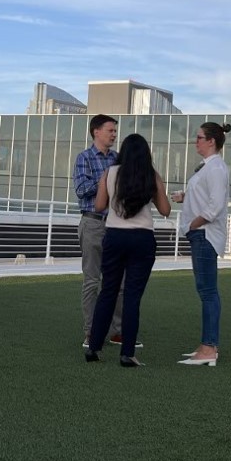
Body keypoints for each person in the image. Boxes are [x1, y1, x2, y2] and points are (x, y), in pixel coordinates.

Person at [85, 133, 171, 367]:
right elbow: (165, 210)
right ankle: (127, 353)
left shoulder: (110, 173)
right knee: (132, 296)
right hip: (142, 239)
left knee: (107, 292)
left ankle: (93, 347)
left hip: (114, 236)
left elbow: (100, 205)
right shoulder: (151, 176)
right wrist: (159, 187)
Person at [173, 122, 231, 367]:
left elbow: (215, 205)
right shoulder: (208, 168)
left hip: (204, 234)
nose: (195, 141)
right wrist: (185, 197)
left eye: (199, 137)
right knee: (206, 291)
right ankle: (206, 345)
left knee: (207, 292)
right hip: (200, 234)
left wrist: (194, 225)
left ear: (212, 141)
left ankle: (209, 347)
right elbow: (207, 196)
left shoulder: (216, 167)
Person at [73, 114, 125, 348]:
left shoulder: (118, 159)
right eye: (110, 130)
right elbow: (82, 190)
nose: (114, 134)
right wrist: (107, 178)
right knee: (92, 281)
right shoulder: (84, 157)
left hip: (116, 224)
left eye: (115, 131)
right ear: (96, 131)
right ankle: (91, 332)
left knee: (118, 281)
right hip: (93, 223)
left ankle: (117, 331)